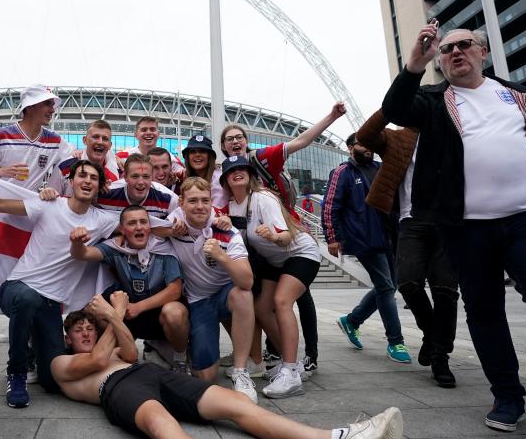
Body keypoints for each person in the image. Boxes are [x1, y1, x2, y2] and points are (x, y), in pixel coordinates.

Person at [381, 23, 526, 439]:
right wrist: (414, 66)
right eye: (447, 49)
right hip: (466, 227)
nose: (456, 52)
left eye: (464, 45)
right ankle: (506, 393)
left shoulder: (520, 96)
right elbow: (395, 109)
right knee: (483, 309)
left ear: (482, 52)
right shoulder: (433, 100)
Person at [52, 301, 404, 439]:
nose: (85, 334)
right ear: (68, 339)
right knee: (162, 426)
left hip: (149, 372)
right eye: (79, 330)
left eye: (89, 328)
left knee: (236, 403)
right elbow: (99, 359)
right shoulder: (62, 363)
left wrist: (110, 320)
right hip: (117, 388)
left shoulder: (109, 346)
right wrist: (114, 312)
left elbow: (128, 353)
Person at [0, 159, 118, 408]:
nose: (87, 181)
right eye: (82, 176)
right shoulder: (49, 204)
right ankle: (16, 373)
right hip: (18, 288)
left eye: (94, 178)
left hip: (50, 304)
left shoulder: (102, 220)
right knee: (27, 299)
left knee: (52, 381)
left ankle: (34, 353)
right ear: (71, 182)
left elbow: (141, 225)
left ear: (99, 187)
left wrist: (178, 226)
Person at [0, 85, 74, 388]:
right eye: (47, 104)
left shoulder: (56, 141)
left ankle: (31, 356)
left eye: (52, 104)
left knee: (30, 290)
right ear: (30, 106)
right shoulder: (1, 136)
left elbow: (70, 170)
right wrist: (2, 173)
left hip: (30, 226)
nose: (52, 109)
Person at [356, 109, 459, 388]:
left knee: (446, 290)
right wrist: (393, 106)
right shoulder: (399, 138)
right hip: (411, 220)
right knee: (408, 282)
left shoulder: (451, 135)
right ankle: (432, 334)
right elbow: (364, 136)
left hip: (447, 221)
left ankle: (440, 356)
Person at [220, 155, 322, 399]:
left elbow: (286, 237)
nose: (238, 172)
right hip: (274, 262)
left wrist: (273, 237)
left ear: (251, 174)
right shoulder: (232, 206)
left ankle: (289, 373)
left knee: (282, 302)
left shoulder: (263, 198)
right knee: (261, 308)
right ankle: (292, 363)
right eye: (231, 170)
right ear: (225, 180)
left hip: (299, 253)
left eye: (242, 168)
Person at [166, 177, 258, 402]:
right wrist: (169, 230)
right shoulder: (174, 227)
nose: (200, 206)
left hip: (226, 296)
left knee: (243, 294)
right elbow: (147, 227)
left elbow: (247, 281)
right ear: (181, 203)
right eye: (193, 201)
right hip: (199, 302)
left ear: (211, 202)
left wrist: (222, 257)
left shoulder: (227, 231)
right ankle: (192, 351)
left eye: (205, 200)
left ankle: (241, 371)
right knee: (205, 378)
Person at [70, 204, 190, 372]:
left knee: (175, 312)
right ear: (122, 229)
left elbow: (175, 290)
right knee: (95, 310)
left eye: (143, 222)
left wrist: (138, 307)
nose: (139, 227)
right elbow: (83, 254)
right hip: (129, 316)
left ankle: (180, 359)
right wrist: (76, 243)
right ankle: (123, 356)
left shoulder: (163, 248)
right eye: (132, 223)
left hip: (158, 316)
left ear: (150, 227)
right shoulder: (116, 247)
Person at [324, 133, 410, 364]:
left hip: (389, 236)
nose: (368, 147)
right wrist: (332, 237)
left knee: (390, 287)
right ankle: (396, 341)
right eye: (362, 143)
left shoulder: (381, 168)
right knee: (385, 287)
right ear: (351, 147)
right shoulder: (343, 172)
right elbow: (331, 205)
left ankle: (352, 321)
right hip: (363, 238)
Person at [220, 101, 346, 214]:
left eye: (239, 137)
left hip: (282, 221)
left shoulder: (262, 157)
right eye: (230, 139)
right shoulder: (222, 172)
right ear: (223, 146)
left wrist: (332, 116)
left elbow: (300, 142)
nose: (235, 141)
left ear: (246, 141)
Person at [96, 152, 178, 218]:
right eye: (135, 176)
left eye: (146, 177)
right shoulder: (106, 192)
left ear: (151, 178)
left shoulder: (168, 198)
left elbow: (184, 220)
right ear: (125, 177)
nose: (141, 182)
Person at [48, 119, 119, 195]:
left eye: (105, 139)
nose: (100, 142)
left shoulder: (117, 173)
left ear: (110, 145)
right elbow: (51, 200)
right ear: (85, 140)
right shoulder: (64, 167)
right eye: (95, 137)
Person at [116, 115, 184, 175]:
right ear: (136, 135)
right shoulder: (123, 157)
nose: (148, 132)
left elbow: (183, 175)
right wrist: (113, 158)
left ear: (158, 134)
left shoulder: (171, 159)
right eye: (144, 130)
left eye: (152, 129)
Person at [180, 135, 227, 207]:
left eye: (202, 151)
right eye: (192, 151)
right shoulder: (185, 177)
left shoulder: (219, 178)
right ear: (188, 157)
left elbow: (216, 210)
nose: (197, 155)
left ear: (209, 156)